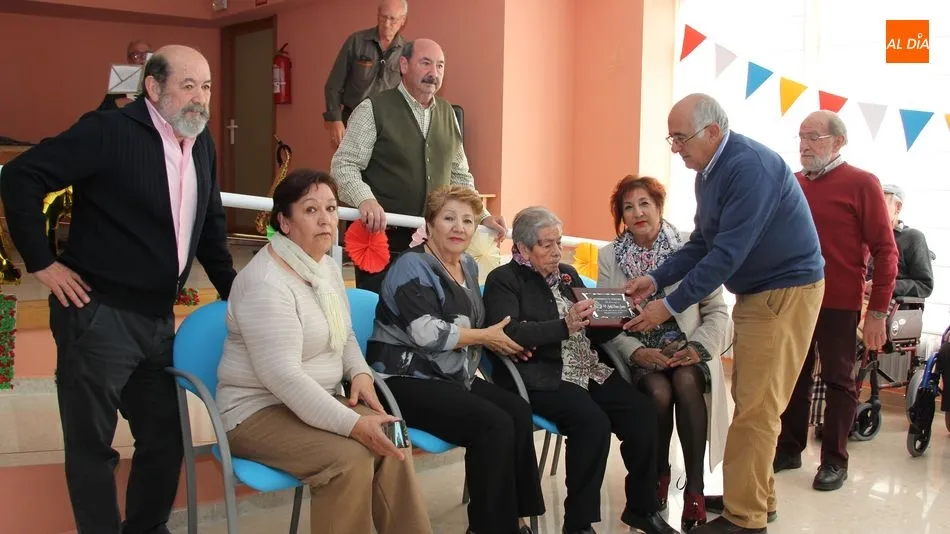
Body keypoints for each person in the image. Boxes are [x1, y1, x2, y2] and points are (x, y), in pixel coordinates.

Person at [0, 45, 236, 534]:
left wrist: (234, 292)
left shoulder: (201, 141)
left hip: (158, 323)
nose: (200, 98)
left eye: (207, 87)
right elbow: (22, 177)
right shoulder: (107, 130)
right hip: (97, 316)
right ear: (153, 87)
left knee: (165, 440)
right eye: (187, 86)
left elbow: (211, 225)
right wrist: (42, 262)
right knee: (92, 449)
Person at [623, 93, 825, 534]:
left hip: (783, 292)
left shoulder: (748, 167)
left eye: (681, 138)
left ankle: (745, 518)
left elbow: (726, 255)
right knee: (754, 401)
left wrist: (668, 306)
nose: (675, 148)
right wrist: (655, 279)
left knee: (756, 408)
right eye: (672, 139)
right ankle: (754, 497)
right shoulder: (709, 172)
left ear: (712, 131)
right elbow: (702, 243)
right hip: (760, 293)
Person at [217, 169, 433, 534]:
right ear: (284, 222)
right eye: (310, 210)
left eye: (331, 209)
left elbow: (343, 334)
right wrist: (354, 424)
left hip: (318, 398)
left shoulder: (326, 267)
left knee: (394, 435)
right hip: (257, 411)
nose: (325, 219)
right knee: (349, 459)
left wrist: (360, 374)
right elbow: (283, 378)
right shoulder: (266, 283)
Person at [483, 206, 678, 534]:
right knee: (592, 423)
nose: (556, 252)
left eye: (558, 242)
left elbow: (593, 333)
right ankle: (578, 524)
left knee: (642, 412)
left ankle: (642, 508)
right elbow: (509, 332)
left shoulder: (567, 275)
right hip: (543, 375)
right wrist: (565, 325)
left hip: (589, 367)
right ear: (523, 249)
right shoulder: (503, 280)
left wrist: (619, 315)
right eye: (546, 244)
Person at [365, 185, 544, 534]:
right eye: (449, 218)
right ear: (430, 223)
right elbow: (427, 333)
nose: (459, 227)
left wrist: (503, 340)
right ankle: (490, 528)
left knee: (518, 410)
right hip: (405, 379)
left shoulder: (468, 266)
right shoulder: (411, 266)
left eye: (467, 220)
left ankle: (517, 519)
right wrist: (486, 336)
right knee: (493, 423)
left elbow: (476, 325)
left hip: (452, 375)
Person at [598, 176, 731, 531]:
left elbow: (717, 310)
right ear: (621, 216)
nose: (637, 212)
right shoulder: (609, 256)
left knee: (685, 382)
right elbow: (607, 321)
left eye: (645, 203)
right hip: (643, 352)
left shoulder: (690, 247)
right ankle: (658, 474)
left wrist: (698, 347)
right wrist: (637, 352)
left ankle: (695, 491)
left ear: (659, 207)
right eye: (628, 207)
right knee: (658, 391)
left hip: (689, 350)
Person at [774, 111, 897, 493]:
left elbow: (886, 251)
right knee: (792, 376)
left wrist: (877, 312)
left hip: (839, 302)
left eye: (813, 137)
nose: (804, 145)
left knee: (839, 382)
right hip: (793, 300)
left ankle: (834, 461)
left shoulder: (862, 183)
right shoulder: (792, 183)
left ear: (838, 141)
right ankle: (789, 448)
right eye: (801, 137)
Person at [330, 38, 506, 293]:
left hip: (437, 245)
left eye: (440, 66)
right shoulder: (373, 109)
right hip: (384, 243)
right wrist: (365, 200)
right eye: (425, 63)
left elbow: (460, 177)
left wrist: (483, 216)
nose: (434, 73)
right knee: (383, 310)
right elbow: (343, 165)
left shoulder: (448, 114)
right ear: (404, 65)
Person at [323, 0, 408, 147]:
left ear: (402, 20)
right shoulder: (356, 41)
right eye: (383, 17)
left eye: (392, 19)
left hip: (388, 128)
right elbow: (334, 84)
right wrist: (336, 119)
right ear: (377, 15)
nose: (387, 24)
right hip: (353, 122)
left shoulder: (407, 52)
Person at [879, 184, 934, 299]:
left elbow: (924, 286)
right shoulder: (863, 235)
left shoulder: (912, 237)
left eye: (879, 204)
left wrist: (885, 286)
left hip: (889, 303)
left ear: (898, 207)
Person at [99, 40, 153, 110]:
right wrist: (115, 104)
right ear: (129, 59)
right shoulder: (120, 86)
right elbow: (99, 114)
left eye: (147, 55)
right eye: (136, 55)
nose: (142, 59)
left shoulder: (161, 81)